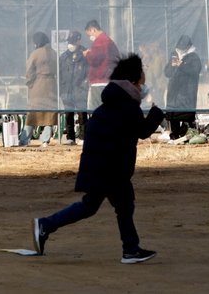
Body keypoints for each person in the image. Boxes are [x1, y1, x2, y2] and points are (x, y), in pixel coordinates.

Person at [32, 54, 164, 264]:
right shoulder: (127, 105)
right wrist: (157, 112)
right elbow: (143, 131)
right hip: (111, 168)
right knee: (120, 206)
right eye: (141, 80)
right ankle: (130, 249)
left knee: (95, 206)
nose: (143, 85)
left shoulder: (112, 102)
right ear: (133, 81)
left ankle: (46, 225)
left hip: (101, 165)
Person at [22, 31, 58, 146]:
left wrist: (29, 83)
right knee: (49, 114)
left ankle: (24, 139)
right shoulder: (54, 53)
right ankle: (45, 140)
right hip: (52, 85)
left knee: (32, 114)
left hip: (38, 85)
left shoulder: (35, 54)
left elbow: (29, 71)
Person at [163, 35, 201, 140]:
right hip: (174, 91)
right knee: (173, 114)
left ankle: (186, 134)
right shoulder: (174, 55)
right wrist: (172, 65)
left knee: (185, 115)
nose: (180, 50)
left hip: (187, 92)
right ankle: (174, 135)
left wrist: (182, 65)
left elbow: (195, 71)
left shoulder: (194, 57)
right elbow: (167, 73)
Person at [59, 31, 89, 145]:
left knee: (82, 113)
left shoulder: (85, 54)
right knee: (68, 114)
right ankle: (70, 137)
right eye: (69, 42)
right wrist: (61, 88)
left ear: (79, 41)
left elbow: (88, 71)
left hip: (80, 89)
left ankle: (83, 136)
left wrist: (84, 84)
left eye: (73, 42)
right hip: (67, 89)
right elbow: (60, 72)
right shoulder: (64, 56)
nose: (70, 44)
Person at [84, 20, 120, 99]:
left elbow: (95, 59)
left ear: (93, 30)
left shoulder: (100, 41)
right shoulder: (108, 41)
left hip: (99, 80)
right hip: (108, 78)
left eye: (89, 34)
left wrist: (87, 54)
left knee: (96, 107)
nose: (89, 37)